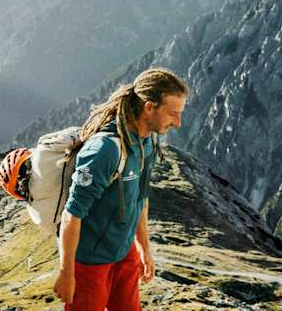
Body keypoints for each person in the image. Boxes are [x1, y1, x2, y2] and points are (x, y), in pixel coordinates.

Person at [54, 68, 188, 310]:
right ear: (149, 107)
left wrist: (144, 249)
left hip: (124, 252)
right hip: (91, 262)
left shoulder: (147, 142)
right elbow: (72, 214)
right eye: (173, 114)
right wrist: (67, 273)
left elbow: (140, 199)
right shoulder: (105, 151)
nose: (178, 123)